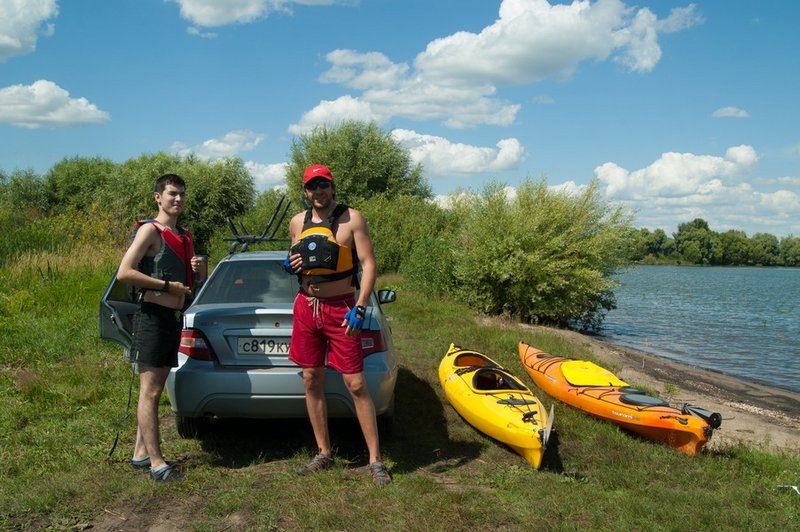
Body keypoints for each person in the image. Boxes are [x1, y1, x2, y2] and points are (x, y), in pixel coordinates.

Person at [285, 164, 391, 486]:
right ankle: (323, 452)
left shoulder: (352, 219)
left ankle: (375, 460)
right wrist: (289, 264)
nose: (319, 191)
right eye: (312, 186)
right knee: (311, 379)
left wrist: (360, 306)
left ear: (332, 187)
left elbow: (369, 264)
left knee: (356, 384)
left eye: (324, 184)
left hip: (342, 308)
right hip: (307, 307)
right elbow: (294, 260)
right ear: (306, 191)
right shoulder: (296, 223)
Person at [116, 173, 201, 482]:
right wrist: (167, 284)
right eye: (171, 194)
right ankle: (156, 463)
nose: (177, 199)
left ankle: (140, 453)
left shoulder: (182, 235)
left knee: (155, 389)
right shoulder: (150, 232)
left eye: (181, 194)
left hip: (171, 320)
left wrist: (196, 271)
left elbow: (191, 285)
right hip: (151, 317)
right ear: (158, 197)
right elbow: (124, 273)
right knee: (150, 392)